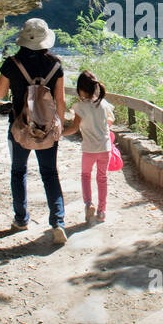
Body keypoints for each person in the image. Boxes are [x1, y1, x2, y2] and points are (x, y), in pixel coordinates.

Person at [0, 19, 67, 241]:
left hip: (19, 126)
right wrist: (60, 127)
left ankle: (21, 219)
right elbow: (61, 101)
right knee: (50, 173)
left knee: (18, 172)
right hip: (47, 128)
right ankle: (58, 222)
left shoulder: (12, 63)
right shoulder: (55, 64)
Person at [62, 70, 114, 225]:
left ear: (80, 90)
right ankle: (102, 211)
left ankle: (88, 204)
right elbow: (111, 120)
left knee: (86, 176)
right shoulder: (103, 104)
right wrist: (103, 127)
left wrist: (60, 133)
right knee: (102, 178)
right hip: (105, 148)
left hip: (89, 150)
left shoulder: (79, 107)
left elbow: (74, 128)